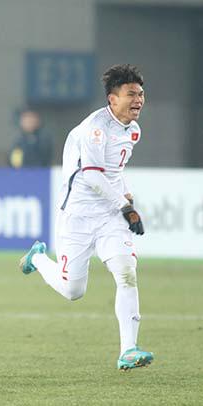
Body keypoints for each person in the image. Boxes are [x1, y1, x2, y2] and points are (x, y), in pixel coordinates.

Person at [19, 64, 153, 370]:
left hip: (109, 217)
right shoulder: (94, 129)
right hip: (78, 217)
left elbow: (115, 173)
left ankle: (128, 350)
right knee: (73, 291)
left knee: (126, 271)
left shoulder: (132, 130)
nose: (139, 100)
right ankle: (38, 258)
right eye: (131, 94)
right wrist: (126, 206)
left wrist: (126, 199)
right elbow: (93, 177)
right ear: (112, 99)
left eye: (141, 94)